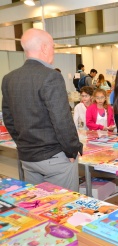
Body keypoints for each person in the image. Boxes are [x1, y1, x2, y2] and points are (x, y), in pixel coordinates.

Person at [1, 28, 83, 191]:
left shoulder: (9, 78)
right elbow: (61, 120)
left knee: (38, 208)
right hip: (54, 157)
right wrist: (72, 149)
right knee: (63, 208)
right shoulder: (51, 76)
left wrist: (23, 144)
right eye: (53, 46)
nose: (53, 51)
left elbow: (8, 119)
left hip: (28, 158)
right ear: (45, 48)